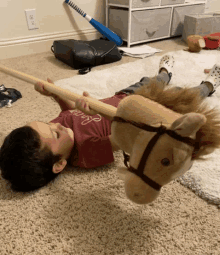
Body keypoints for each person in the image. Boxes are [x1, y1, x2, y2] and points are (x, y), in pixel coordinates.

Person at [0, 55, 219, 192]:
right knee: (182, 97)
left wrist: (55, 95)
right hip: (142, 113)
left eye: (47, 123)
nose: (57, 125)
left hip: (124, 96)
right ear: (59, 165)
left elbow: (68, 115)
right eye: (55, 134)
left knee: (148, 82)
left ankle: (164, 74)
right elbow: (119, 139)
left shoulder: (59, 128)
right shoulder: (86, 153)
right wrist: (96, 110)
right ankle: (208, 85)